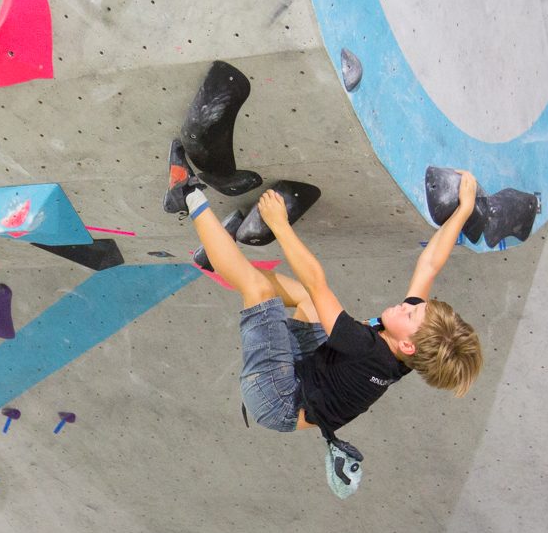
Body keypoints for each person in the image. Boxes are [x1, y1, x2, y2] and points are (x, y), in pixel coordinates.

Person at [164, 165, 483, 439]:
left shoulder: (368, 349)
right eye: (416, 306)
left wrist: (279, 222)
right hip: (310, 369)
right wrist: (463, 210)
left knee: (260, 291)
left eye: (412, 313)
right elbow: (429, 265)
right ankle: (220, 256)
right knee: (306, 302)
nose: (407, 305)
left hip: (277, 398)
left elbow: (316, 281)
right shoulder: (411, 347)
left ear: (408, 345)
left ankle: (185, 194)